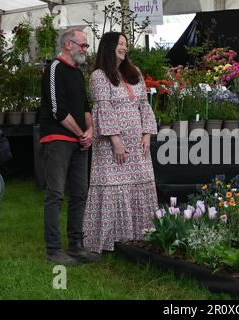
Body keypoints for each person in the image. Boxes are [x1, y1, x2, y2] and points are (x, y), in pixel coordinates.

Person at [83, 32, 158, 253]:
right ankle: (110, 239)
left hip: (137, 142)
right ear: (109, 46)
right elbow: (102, 109)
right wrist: (115, 141)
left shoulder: (135, 73)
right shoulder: (99, 76)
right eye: (120, 44)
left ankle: (139, 236)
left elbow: (144, 104)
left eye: (126, 45)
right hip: (111, 144)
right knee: (113, 186)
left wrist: (147, 135)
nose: (124, 48)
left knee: (140, 182)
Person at [40, 28, 99, 266]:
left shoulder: (77, 73)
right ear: (68, 44)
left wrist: (90, 131)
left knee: (79, 194)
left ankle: (76, 245)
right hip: (57, 139)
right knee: (55, 194)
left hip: (79, 141)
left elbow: (85, 107)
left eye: (86, 46)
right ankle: (54, 250)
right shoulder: (54, 68)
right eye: (83, 45)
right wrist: (80, 134)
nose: (85, 50)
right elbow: (57, 110)